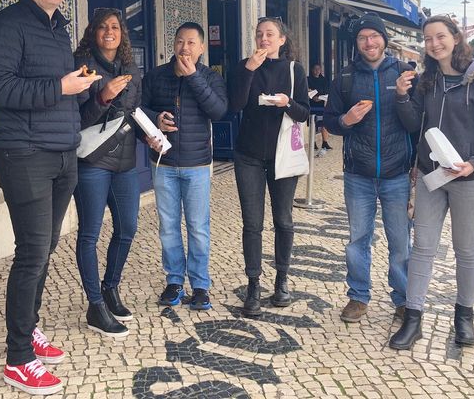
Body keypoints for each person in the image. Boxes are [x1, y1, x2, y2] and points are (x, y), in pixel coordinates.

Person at [0, 0, 100, 395]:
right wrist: (61, 86)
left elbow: (55, 92)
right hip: (23, 153)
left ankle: (28, 329)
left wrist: (86, 91)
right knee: (31, 252)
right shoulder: (5, 26)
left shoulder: (57, 28)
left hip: (62, 151)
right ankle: (18, 358)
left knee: (45, 250)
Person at [390, 15, 474, 350]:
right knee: (423, 247)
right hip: (431, 176)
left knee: (465, 249)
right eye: (428, 39)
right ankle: (413, 319)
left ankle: (464, 317)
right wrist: (401, 96)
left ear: (455, 38)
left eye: (440, 36)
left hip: (469, 178)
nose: (434, 44)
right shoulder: (427, 81)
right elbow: (413, 124)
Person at [323, 12, 415, 324]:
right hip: (358, 174)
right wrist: (346, 120)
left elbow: (417, 122)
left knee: (400, 241)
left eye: (374, 36)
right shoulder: (345, 77)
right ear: (357, 43)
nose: (369, 42)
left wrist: (416, 167)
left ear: (384, 40)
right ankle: (358, 296)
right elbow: (330, 122)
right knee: (357, 239)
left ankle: (403, 298)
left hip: (397, 173)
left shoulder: (404, 73)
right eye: (363, 37)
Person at [141, 22, 228, 310]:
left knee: (198, 227)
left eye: (191, 43)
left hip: (197, 165)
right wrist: (156, 119)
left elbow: (217, 111)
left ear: (201, 48)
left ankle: (201, 285)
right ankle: (174, 280)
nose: (184, 47)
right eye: (180, 41)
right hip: (163, 164)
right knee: (168, 226)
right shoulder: (156, 76)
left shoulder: (210, 78)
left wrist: (193, 78)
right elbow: (139, 110)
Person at [230, 17, 310, 316]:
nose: (264, 39)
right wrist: (249, 70)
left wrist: (286, 103)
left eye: (270, 34)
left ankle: (282, 280)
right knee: (252, 223)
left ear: (281, 40)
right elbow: (235, 105)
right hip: (248, 154)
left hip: (283, 156)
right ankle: (253, 285)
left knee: (283, 220)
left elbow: (303, 113)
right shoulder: (244, 66)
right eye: (259, 34)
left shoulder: (293, 69)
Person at [73, 7, 142, 338]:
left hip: (126, 160)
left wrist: (155, 129)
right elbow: (77, 118)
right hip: (92, 160)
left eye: (115, 26)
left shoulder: (130, 67)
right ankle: (95, 305)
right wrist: (103, 94)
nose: (109, 31)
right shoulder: (83, 66)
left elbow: (134, 110)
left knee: (127, 228)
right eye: (102, 27)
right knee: (89, 234)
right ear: (93, 32)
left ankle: (111, 288)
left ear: (122, 33)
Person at [307, 64, 331, 156]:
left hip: (321, 105)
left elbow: (327, 91)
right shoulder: (308, 79)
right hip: (311, 105)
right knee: (312, 125)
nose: (317, 71)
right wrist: (313, 97)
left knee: (323, 124)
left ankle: (325, 142)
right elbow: (306, 90)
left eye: (319, 69)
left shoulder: (324, 80)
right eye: (315, 69)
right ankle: (313, 143)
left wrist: (320, 98)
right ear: (312, 70)